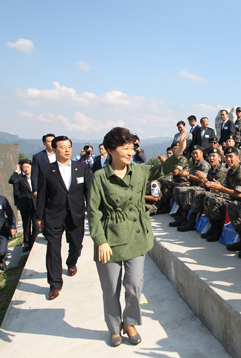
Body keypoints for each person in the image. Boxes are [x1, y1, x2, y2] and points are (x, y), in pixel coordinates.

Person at [87, 127, 185, 347]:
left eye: (132, 147)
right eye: (125, 148)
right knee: (110, 290)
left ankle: (129, 322)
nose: (131, 152)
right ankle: (114, 328)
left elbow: (161, 169)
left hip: (137, 237)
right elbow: (94, 213)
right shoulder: (100, 178)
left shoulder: (139, 171)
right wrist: (100, 240)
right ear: (111, 150)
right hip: (110, 241)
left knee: (134, 285)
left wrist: (178, 153)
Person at [36, 136, 91, 301]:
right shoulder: (47, 170)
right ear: (54, 149)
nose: (67, 150)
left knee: (76, 244)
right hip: (53, 215)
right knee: (53, 249)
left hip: (75, 214)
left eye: (69, 147)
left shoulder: (81, 168)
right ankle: (54, 284)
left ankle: (71, 261)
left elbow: (88, 192)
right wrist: (39, 217)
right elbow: (42, 196)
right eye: (62, 147)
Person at [202, 146, 241, 242]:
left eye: (231, 156)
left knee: (213, 201)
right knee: (207, 199)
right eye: (226, 157)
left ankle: (219, 231)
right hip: (231, 198)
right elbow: (225, 188)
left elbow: (239, 194)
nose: (228, 159)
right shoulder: (230, 171)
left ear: (237, 157)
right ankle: (215, 228)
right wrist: (216, 186)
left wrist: (220, 188)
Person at [9, 160, 38, 252]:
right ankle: (26, 243)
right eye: (24, 167)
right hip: (24, 204)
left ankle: (33, 241)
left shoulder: (35, 176)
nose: (26, 169)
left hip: (35, 203)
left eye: (28, 167)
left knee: (36, 225)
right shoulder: (20, 177)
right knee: (26, 225)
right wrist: (16, 171)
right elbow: (12, 181)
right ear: (21, 168)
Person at [0, 195, 16, 271]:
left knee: (2, 252)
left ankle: (0, 260)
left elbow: (10, 213)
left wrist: (12, 227)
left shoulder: (2, 199)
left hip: (2, 231)